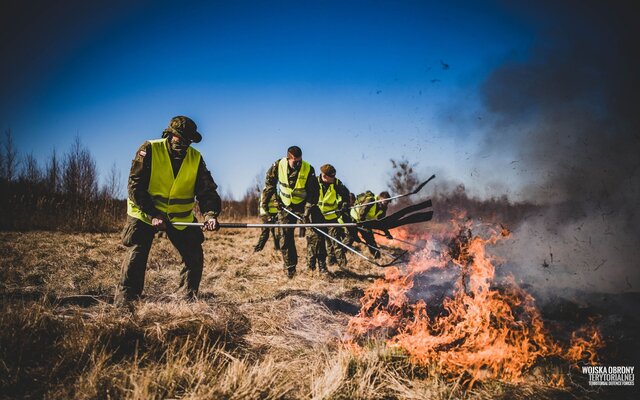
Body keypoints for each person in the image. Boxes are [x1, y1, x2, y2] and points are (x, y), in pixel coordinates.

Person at [115, 116, 222, 305]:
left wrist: (210, 214)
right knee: (137, 255)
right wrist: (153, 213)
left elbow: (207, 191)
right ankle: (126, 305)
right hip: (144, 213)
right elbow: (135, 186)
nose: (183, 145)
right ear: (170, 135)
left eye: (187, 141)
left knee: (194, 256)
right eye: (180, 139)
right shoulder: (149, 149)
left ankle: (186, 302)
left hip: (180, 217)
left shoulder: (195, 158)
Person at [262, 146, 319, 278]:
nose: (298, 164)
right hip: (285, 206)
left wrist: (307, 210)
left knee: (315, 234)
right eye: (295, 162)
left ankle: (312, 265)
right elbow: (270, 185)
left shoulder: (308, 169)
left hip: (304, 205)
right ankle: (290, 269)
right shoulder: (278, 165)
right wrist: (271, 201)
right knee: (285, 238)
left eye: (300, 161)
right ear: (288, 158)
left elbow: (314, 193)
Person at [311, 164, 351, 272]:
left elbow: (346, 196)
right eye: (331, 177)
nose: (333, 179)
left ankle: (343, 267)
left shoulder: (337, 184)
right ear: (324, 175)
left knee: (336, 241)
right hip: (317, 217)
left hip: (331, 217)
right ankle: (320, 267)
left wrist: (344, 204)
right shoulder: (313, 182)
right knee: (318, 243)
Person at [349, 191, 392, 258]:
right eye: (385, 202)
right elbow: (361, 214)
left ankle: (377, 258)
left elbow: (381, 222)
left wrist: (387, 232)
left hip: (365, 222)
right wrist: (365, 226)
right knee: (350, 238)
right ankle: (338, 257)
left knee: (370, 240)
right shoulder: (371, 200)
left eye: (387, 203)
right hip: (354, 218)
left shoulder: (383, 209)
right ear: (381, 199)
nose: (386, 205)